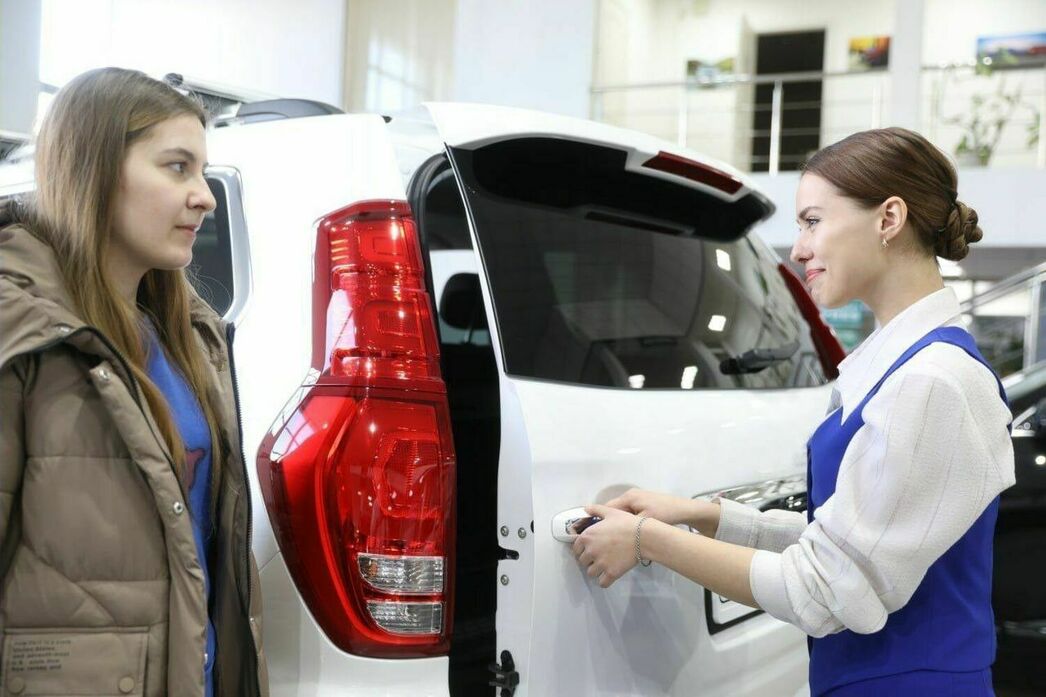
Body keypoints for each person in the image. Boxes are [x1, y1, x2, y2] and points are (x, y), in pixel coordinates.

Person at [574, 127, 1015, 696]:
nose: (798, 249)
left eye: (812, 221)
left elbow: (824, 586)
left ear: (888, 218)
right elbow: (843, 541)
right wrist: (701, 516)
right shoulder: (901, 366)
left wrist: (646, 541)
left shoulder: (930, 383)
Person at [0, 68, 266, 697]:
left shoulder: (187, 340)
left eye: (202, 172)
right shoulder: (24, 331)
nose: (204, 195)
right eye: (177, 167)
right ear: (94, 171)